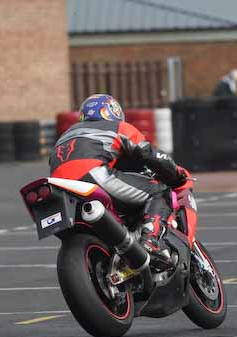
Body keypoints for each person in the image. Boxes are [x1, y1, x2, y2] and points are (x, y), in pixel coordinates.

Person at [49, 94, 188, 263]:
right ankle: (150, 241)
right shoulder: (117, 127)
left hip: (57, 187)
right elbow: (149, 154)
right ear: (112, 111)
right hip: (92, 176)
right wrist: (176, 173)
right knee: (159, 191)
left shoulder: (65, 135)